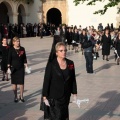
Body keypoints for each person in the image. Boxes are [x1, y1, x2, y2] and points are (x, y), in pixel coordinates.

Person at [41, 42, 77, 120]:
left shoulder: (70, 63)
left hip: (66, 96)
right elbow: (46, 81)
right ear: (56, 52)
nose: (64, 52)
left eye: (65, 50)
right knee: (57, 117)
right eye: (61, 50)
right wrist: (44, 96)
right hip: (54, 97)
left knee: (64, 116)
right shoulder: (51, 64)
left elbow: (73, 79)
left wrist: (74, 94)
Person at [7, 36, 28, 103]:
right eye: (17, 41)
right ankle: (15, 96)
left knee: (21, 83)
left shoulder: (22, 49)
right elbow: (9, 59)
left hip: (21, 68)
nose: (18, 42)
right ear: (13, 42)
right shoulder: (11, 49)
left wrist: (26, 65)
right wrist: (8, 68)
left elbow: (24, 58)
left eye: (19, 41)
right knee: (14, 84)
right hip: (14, 69)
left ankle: (21, 96)